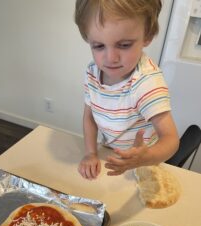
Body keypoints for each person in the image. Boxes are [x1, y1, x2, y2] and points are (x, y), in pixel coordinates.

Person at [74, 0, 179, 180]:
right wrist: (91, 153)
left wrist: (146, 158)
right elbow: (89, 116)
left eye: (124, 45)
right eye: (98, 46)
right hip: (110, 153)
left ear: (148, 35)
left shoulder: (147, 83)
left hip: (142, 162)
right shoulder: (93, 71)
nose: (110, 58)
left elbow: (170, 139)